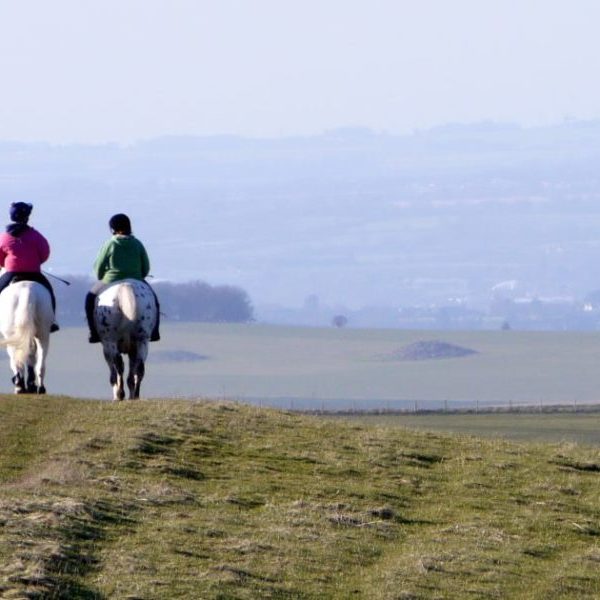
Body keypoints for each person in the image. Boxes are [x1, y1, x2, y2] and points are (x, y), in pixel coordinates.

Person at [85, 213, 160, 343]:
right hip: (136, 278)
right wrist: (138, 276)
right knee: (154, 301)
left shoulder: (109, 244)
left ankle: (94, 333)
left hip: (111, 279)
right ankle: (154, 331)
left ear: (113, 229)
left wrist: (102, 276)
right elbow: (146, 267)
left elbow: (99, 267)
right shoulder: (137, 243)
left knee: (90, 299)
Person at [0, 202, 59, 332]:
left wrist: (6, 264)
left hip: (11, 273)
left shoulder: (4, 237)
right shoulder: (36, 236)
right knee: (50, 293)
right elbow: (45, 253)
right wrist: (35, 262)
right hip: (34, 273)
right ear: (27, 217)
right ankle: (51, 321)